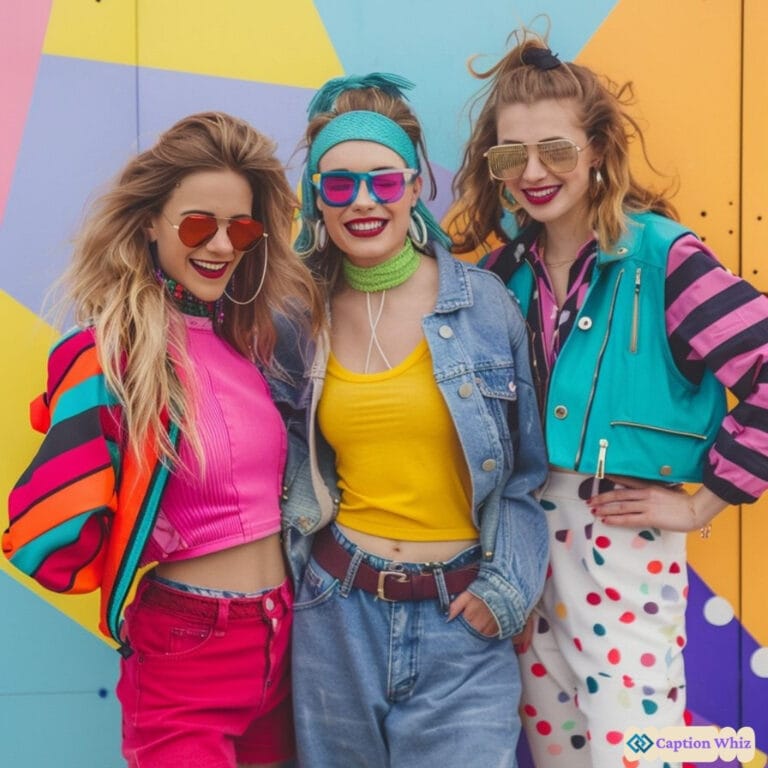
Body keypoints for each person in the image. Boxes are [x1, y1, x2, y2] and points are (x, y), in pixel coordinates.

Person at [451, 29, 768, 768]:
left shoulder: (664, 259)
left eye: (556, 149)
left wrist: (702, 501)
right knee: (556, 749)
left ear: (597, 150)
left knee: (637, 749)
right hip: (524, 544)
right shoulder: (501, 277)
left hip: (623, 535)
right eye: (511, 155)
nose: (533, 171)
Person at [4, 112, 323, 768]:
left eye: (241, 227)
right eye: (199, 223)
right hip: (188, 646)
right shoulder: (113, 353)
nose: (221, 245)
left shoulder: (247, 346)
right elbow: (49, 519)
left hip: (285, 636)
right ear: (151, 222)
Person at [267, 72, 548, 768]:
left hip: (464, 620)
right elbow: (278, 458)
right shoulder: (297, 319)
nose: (362, 202)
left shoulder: (486, 308)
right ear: (317, 199)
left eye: (384, 182)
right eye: (338, 185)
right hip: (336, 616)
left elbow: (524, 475)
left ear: (417, 187)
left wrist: (504, 590)